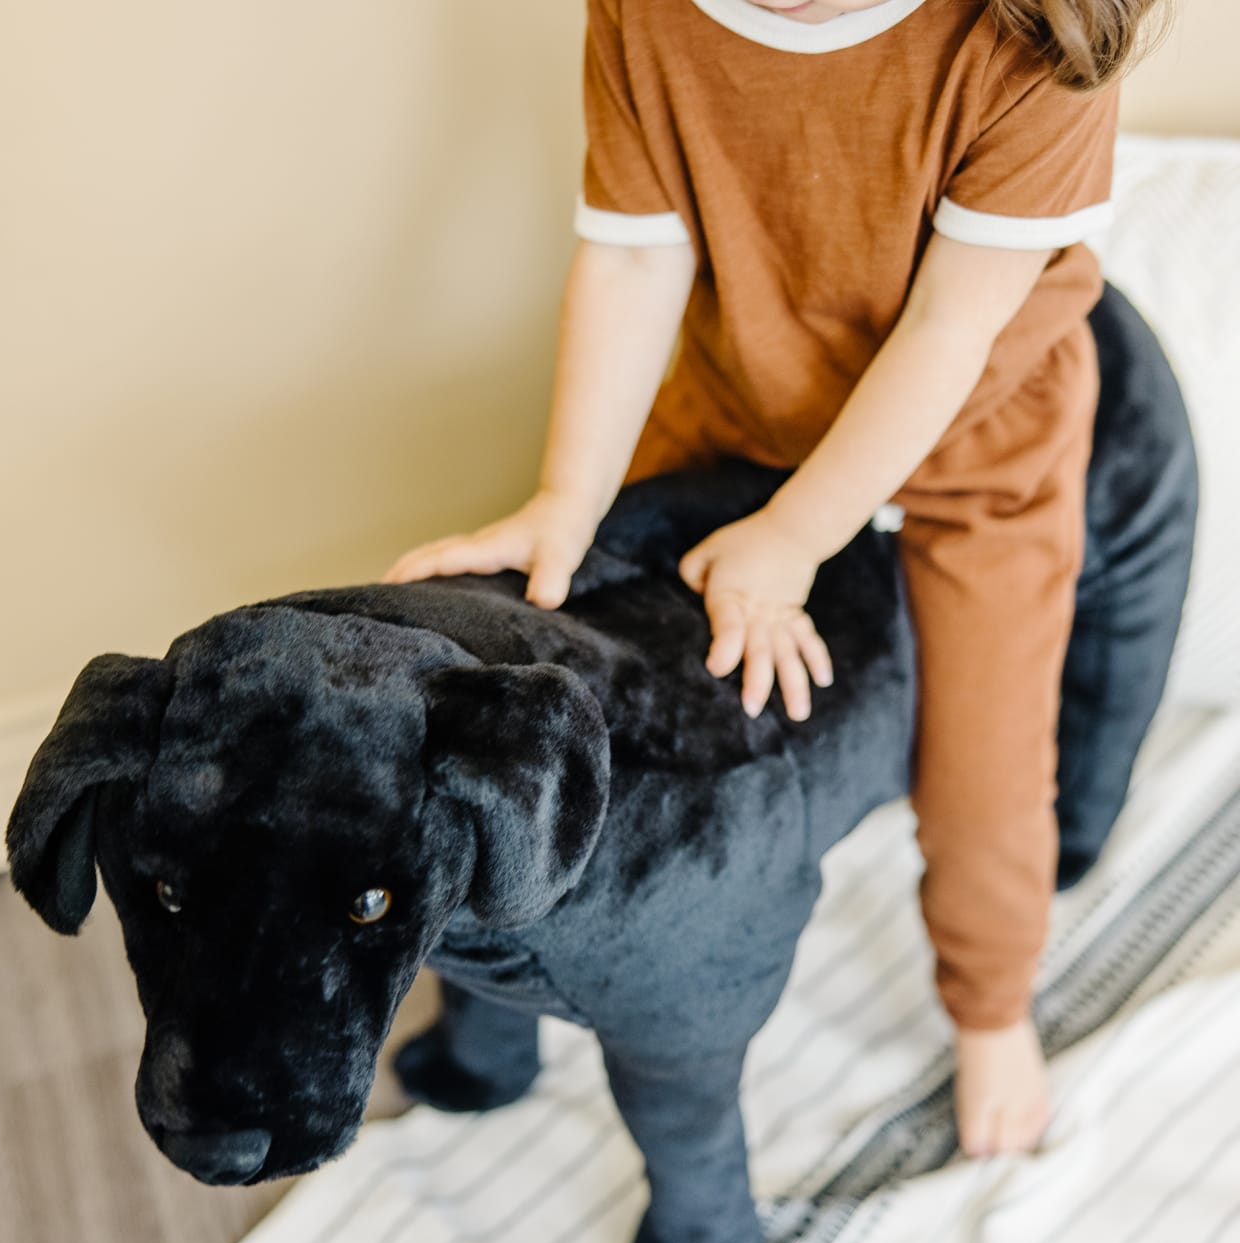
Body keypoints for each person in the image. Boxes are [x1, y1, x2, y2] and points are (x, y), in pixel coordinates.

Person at [383, 0, 1170, 1159]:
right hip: (738, 406)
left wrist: (793, 539)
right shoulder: (647, 15)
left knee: (985, 768)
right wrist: (566, 502)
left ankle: (993, 1006)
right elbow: (635, 253)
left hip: (978, 447)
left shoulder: (1034, 40)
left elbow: (949, 333)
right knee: (605, 665)